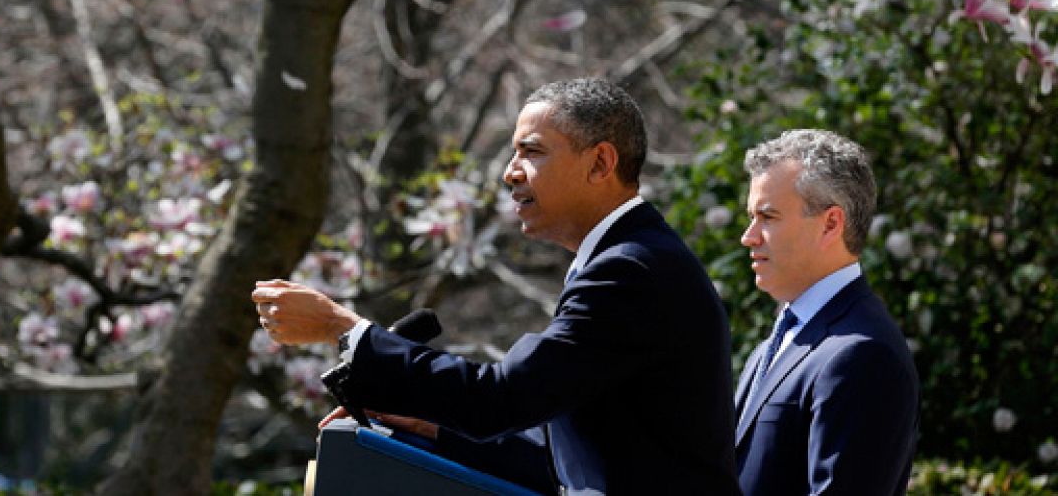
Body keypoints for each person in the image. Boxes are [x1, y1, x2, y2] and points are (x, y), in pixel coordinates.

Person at [254, 78, 741, 496]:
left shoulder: (631, 270)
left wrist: (344, 327)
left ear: (600, 164)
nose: (510, 172)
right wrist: (432, 427)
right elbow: (561, 460)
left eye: (532, 152)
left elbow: (502, 398)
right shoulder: (626, 259)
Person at [734, 129, 919, 496]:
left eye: (768, 217)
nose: (749, 236)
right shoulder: (787, 335)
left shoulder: (863, 354)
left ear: (831, 224)